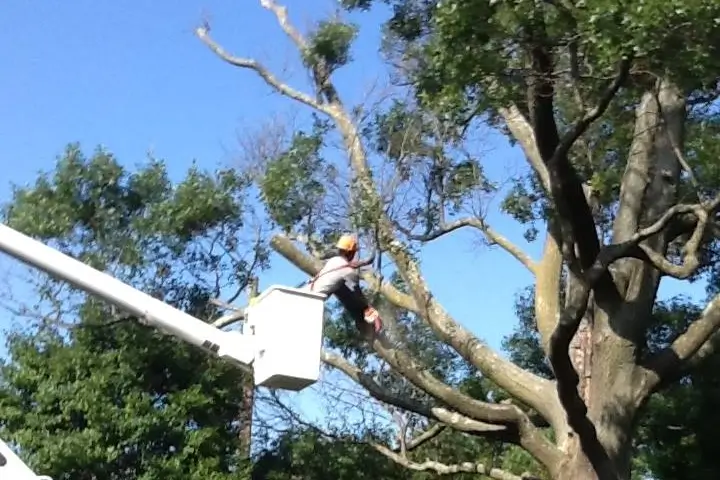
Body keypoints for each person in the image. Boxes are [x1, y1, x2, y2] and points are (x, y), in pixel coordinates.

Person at [307, 234, 382, 335]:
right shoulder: (348, 272)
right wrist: (373, 315)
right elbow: (359, 298)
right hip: (312, 302)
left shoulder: (333, 261)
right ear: (349, 252)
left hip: (305, 293)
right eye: (354, 252)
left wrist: (358, 264)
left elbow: (342, 267)